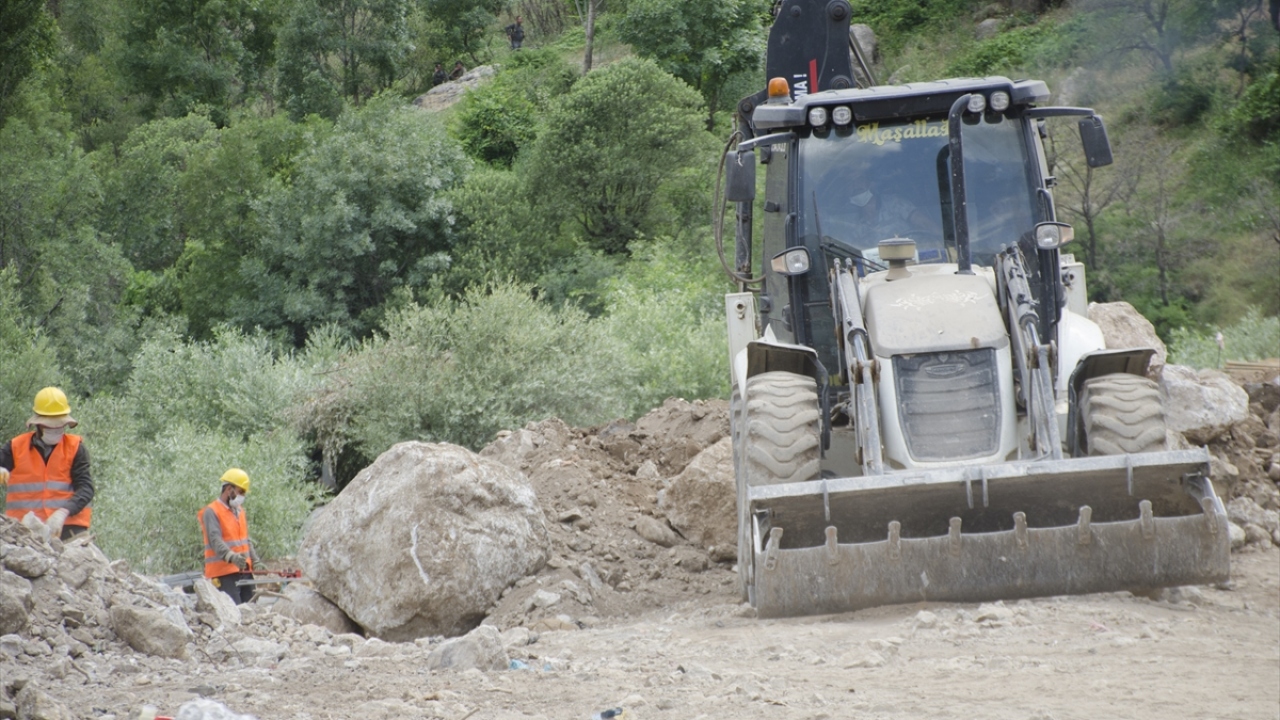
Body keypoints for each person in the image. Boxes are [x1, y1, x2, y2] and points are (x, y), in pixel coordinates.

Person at [0, 387, 94, 541]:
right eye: (50, 426)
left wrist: (63, 512)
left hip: (69, 531)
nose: (55, 429)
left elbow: (86, 488)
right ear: (38, 424)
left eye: (60, 425)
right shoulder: (16, 447)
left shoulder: (76, 448)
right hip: (22, 533)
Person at [198, 468, 262, 605]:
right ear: (228, 489)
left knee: (252, 609)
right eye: (240, 492)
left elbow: (245, 540)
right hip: (224, 574)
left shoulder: (240, 511)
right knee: (234, 610)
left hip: (244, 571)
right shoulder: (211, 511)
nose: (242, 496)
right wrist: (232, 557)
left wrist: (255, 560)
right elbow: (215, 541)